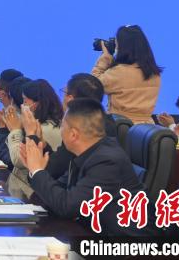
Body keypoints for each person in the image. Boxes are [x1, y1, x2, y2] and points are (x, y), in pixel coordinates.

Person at [20, 98, 151, 237]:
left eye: (62, 125)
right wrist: (35, 170)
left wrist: (37, 171)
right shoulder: (87, 152)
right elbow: (59, 190)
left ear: (73, 134)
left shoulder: (107, 161)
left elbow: (67, 206)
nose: (61, 131)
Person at [27, 73, 115, 180]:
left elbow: (52, 170)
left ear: (70, 100)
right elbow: (62, 162)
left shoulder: (79, 128)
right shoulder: (107, 122)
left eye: (64, 92)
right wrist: (44, 145)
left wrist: (30, 134)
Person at [91, 25, 162, 124]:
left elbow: (93, 86)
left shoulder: (118, 72)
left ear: (123, 47)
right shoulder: (154, 72)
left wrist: (105, 57)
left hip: (121, 127)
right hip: (146, 128)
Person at [5, 79, 64, 196]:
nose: (22, 105)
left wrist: (15, 130)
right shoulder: (43, 124)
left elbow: (18, 160)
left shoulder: (45, 129)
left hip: (32, 193)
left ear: (35, 105)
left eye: (25, 101)